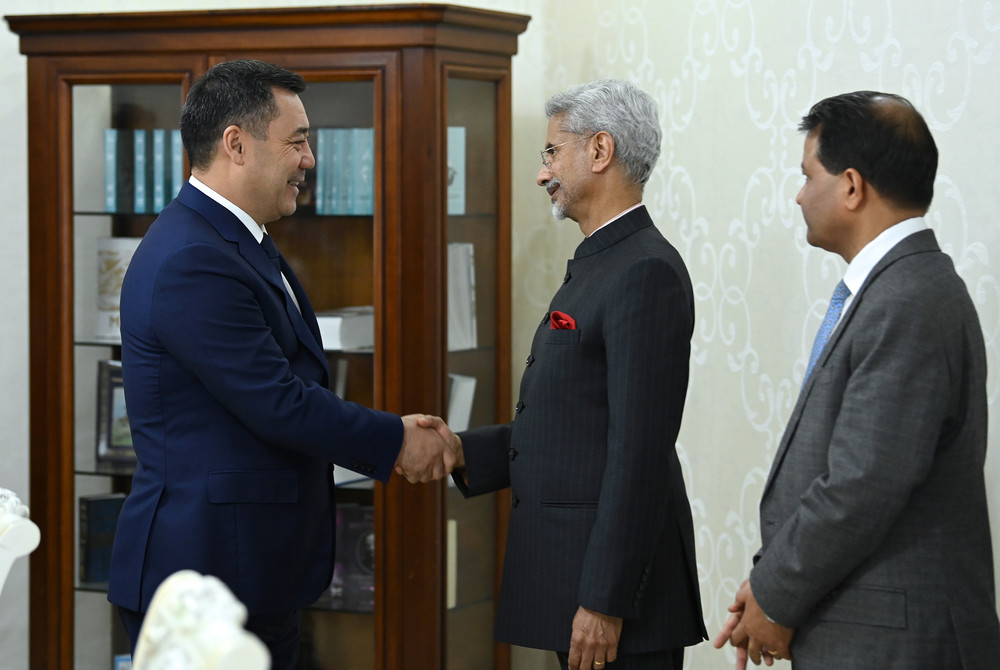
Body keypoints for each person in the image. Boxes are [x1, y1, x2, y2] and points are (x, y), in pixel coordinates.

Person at [107, 59, 456, 668]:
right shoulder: (192, 258)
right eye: (297, 142)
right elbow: (277, 401)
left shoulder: (236, 240)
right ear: (236, 144)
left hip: (250, 566)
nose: (309, 160)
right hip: (204, 578)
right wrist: (397, 439)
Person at [714, 91, 1000, 668]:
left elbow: (860, 484)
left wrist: (775, 595)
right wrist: (770, 588)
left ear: (851, 186)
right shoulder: (898, 287)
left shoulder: (907, 299)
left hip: (897, 644)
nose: (799, 194)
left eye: (807, 175)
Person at [443, 79, 707, 670]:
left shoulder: (644, 271)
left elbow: (638, 451)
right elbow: (576, 426)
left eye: (551, 152)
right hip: (577, 582)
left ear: (600, 150)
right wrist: (463, 451)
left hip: (618, 604)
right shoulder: (604, 260)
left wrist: (604, 601)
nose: (543, 173)